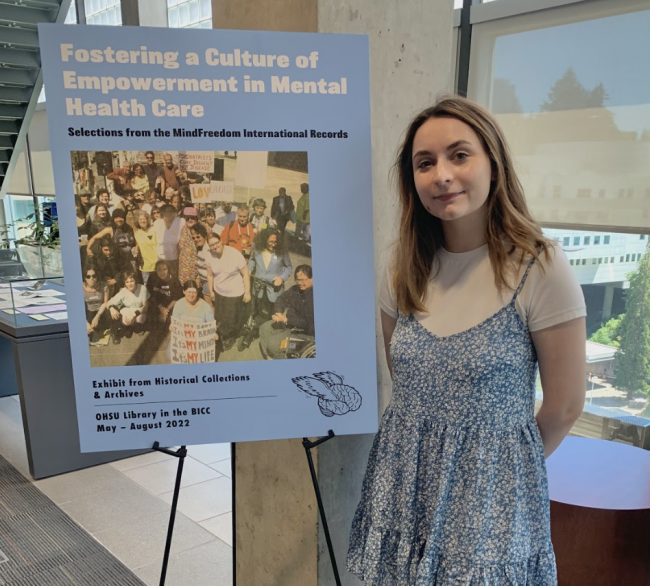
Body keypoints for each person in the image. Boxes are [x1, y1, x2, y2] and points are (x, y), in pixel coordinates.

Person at [347, 96, 587, 584]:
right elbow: (407, 382)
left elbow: (564, 406)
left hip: (488, 501)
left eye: (460, 155)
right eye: (425, 163)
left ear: (493, 163)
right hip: (403, 484)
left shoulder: (539, 267)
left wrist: (494, 468)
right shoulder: (404, 269)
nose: (442, 175)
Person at [258, 264, 314, 360]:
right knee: (264, 328)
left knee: (273, 343)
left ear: (311, 278)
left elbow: (308, 324)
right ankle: (269, 358)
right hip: (288, 324)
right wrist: (279, 312)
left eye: (303, 280)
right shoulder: (295, 289)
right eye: (297, 280)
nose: (300, 283)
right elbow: (281, 299)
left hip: (303, 332)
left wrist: (286, 319)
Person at [205, 233, 250, 351]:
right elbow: (210, 275)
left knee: (231, 318)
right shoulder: (209, 256)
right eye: (211, 245)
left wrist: (247, 292)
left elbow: (245, 274)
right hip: (219, 291)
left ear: (221, 241)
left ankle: (230, 337)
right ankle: (223, 335)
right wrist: (211, 291)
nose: (214, 247)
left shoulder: (234, 254)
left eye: (216, 243)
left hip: (234, 293)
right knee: (220, 316)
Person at [248, 228, 292, 318]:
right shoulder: (256, 247)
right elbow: (252, 259)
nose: (273, 245)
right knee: (256, 313)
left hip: (274, 290)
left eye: (275, 242)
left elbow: (289, 267)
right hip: (258, 288)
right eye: (270, 242)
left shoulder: (282, 251)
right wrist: (249, 269)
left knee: (271, 316)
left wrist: (281, 278)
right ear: (264, 240)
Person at [98, 269, 149, 344]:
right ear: (124, 283)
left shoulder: (142, 288)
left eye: (132, 281)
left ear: (136, 281)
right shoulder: (123, 291)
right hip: (128, 310)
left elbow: (145, 307)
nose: (130, 284)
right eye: (127, 282)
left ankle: (135, 327)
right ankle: (126, 328)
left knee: (140, 319)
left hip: (139, 311)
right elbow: (109, 302)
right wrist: (112, 309)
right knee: (126, 322)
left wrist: (133, 314)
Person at [147, 260, 183, 329]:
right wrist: (161, 308)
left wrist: (165, 310)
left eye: (164, 269)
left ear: (168, 269)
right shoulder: (152, 277)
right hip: (158, 303)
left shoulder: (174, 280)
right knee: (151, 318)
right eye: (159, 270)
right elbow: (151, 294)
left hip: (170, 305)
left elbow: (176, 299)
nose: (162, 273)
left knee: (171, 321)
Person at [152, 204, 185, 278]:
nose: (169, 213)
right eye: (166, 211)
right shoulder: (157, 223)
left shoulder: (180, 222)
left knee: (174, 281)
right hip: (161, 259)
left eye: (171, 211)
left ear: (174, 212)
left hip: (174, 260)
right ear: (162, 213)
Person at [83, 262, 109, 346]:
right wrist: (85, 323)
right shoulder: (80, 288)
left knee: (98, 328)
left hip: (101, 311)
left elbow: (105, 303)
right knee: (89, 330)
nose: (92, 278)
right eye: (88, 276)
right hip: (88, 311)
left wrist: (97, 316)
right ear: (85, 278)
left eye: (94, 276)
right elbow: (78, 308)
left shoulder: (103, 286)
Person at [132, 210, 157, 285]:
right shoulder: (136, 232)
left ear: (147, 220)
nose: (143, 221)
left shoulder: (153, 230)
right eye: (140, 219)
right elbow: (137, 244)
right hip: (145, 267)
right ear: (137, 221)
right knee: (147, 290)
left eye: (144, 219)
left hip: (156, 265)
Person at [178, 206, 200, 285]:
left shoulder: (201, 230)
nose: (190, 220)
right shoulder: (180, 230)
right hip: (184, 269)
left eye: (192, 218)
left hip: (197, 268)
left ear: (197, 219)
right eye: (187, 218)